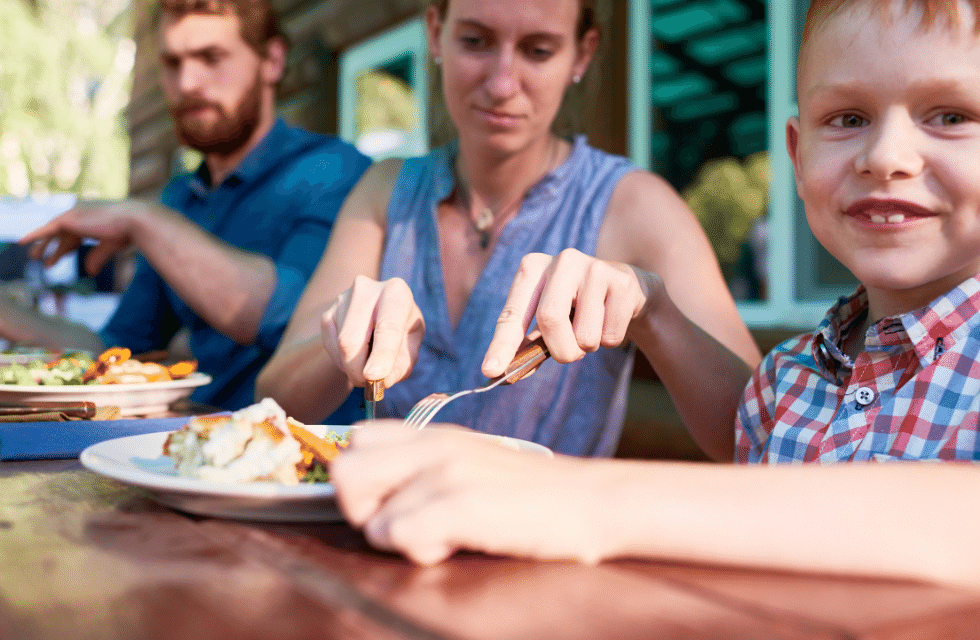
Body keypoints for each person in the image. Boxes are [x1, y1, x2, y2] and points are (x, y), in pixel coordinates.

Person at [327, 0, 980, 589]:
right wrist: (650, 308)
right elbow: (740, 435)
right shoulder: (792, 381)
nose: (888, 156)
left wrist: (573, 499)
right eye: (848, 118)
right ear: (797, 152)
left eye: (951, 116)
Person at [256, 0, 761, 458]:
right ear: (435, 32)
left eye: (538, 51)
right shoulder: (385, 192)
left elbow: (761, 434)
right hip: (383, 540)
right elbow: (274, 397)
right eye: (475, 41)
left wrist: (655, 313)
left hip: (545, 548)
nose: (501, 83)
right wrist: (342, 350)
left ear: (581, 56)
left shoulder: (636, 206)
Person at [1, 0, 371, 412]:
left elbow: (292, 318)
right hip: (197, 444)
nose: (188, 82)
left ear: (272, 60)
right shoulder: (181, 198)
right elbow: (116, 349)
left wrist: (141, 218)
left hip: (308, 456)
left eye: (211, 58)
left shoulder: (336, 171)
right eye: (172, 62)